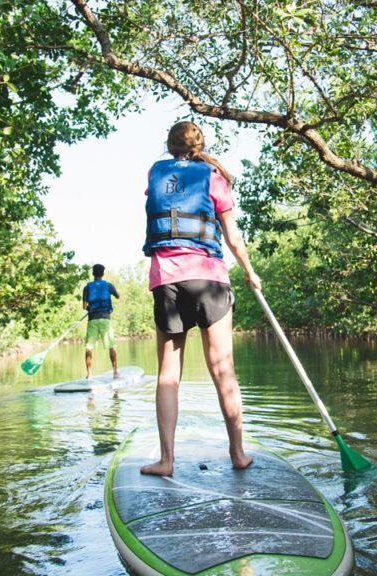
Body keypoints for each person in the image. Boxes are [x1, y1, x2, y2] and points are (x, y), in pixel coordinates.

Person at [139, 121, 262, 476]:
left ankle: (166, 460)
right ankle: (238, 454)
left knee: (168, 374)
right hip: (209, 279)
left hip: (168, 282)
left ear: (168, 144)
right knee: (224, 370)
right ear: (200, 144)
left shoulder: (156, 173)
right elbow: (233, 238)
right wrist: (250, 272)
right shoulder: (214, 176)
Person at [83, 263, 120, 379]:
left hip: (92, 319)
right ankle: (115, 372)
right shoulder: (109, 286)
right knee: (111, 346)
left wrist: (91, 308)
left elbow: (84, 306)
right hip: (105, 319)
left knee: (89, 347)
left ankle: (89, 374)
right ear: (103, 274)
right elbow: (118, 296)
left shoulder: (87, 287)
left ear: (93, 274)